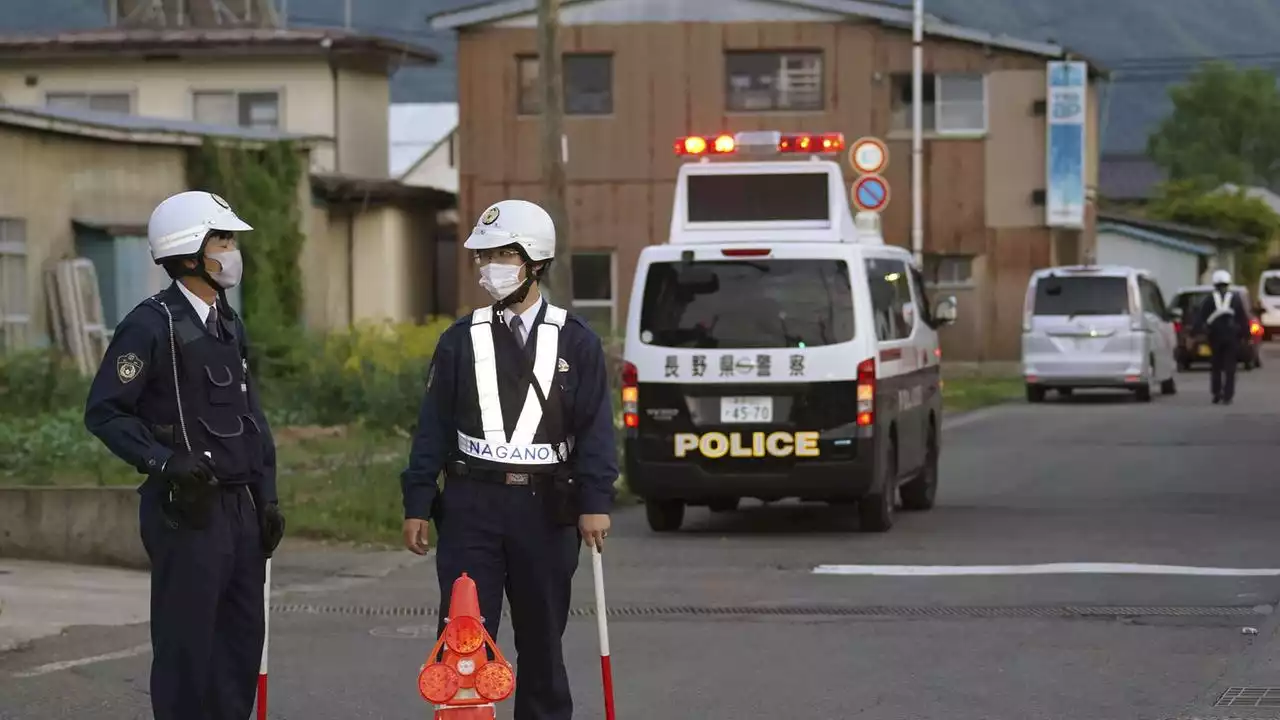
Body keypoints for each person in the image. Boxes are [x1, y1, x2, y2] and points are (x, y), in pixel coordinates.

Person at [400, 199, 618, 720]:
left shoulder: (577, 340)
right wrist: (417, 500)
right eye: (483, 256)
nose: (487, 267)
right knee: (463, 638)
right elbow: (432, 426)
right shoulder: (460, 339)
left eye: (501, 255)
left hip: (547, 508)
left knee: (542, 641)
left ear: (534, 262)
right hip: (472, 504)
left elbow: (594, 429)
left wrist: (596, 501)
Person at [83, 190, 286, 720]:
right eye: (222, 239)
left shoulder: (227, 323)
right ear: (189, 252)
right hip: (187, 512)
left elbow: (252, 423)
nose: (232, 250)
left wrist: (267, 498)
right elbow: (106, 413)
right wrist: (164, 461)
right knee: (187, 654)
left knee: (239, 650)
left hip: (240, 510)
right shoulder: (151, 325)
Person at [1196, 268, 1250, 405]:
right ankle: (1228, 395)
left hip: (1215, 337)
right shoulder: (1236, 299)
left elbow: (1200, 318)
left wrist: (1196, 332)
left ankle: (1216, 393)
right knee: (1230, 367)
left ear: (1215, 284)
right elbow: (1242, 318)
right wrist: (1246, 335)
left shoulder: (1208, 300)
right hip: (1232, 337)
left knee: (1216, 366)